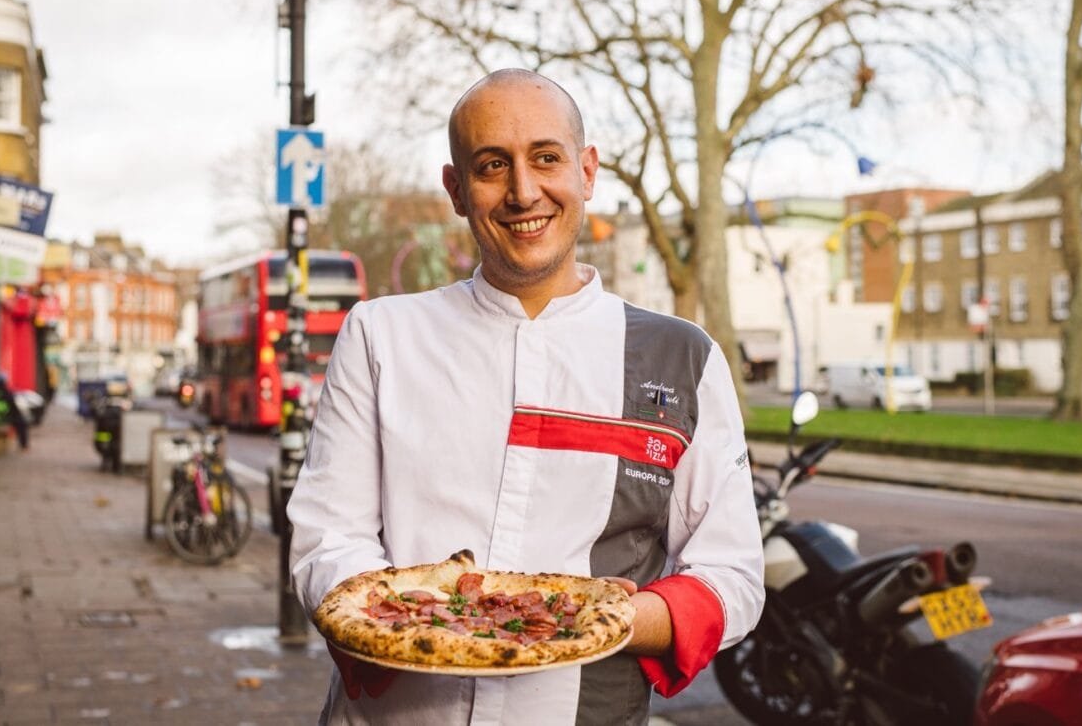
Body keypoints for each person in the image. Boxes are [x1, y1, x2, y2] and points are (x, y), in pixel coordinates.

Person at [288, 69, 765, 725]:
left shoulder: (683, 358)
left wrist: (604, 617)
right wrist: (410, 620)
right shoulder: (380, 335)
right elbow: (325, 538)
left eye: (546, 158)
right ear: (456, 190)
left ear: (587, 170)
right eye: (491, 165)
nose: (523, 191)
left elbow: (731, 576)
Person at [0, 372, 29, 451]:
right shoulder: (5, 392)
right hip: (4, 418)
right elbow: (13, 407)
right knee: (21, 423)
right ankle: (24, 446)